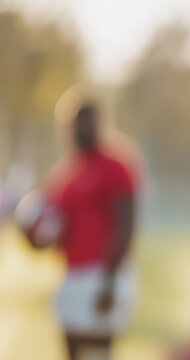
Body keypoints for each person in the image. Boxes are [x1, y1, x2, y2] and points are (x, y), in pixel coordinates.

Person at [25, 97, 138, 360]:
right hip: (72, 273)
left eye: (86, 122)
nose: (80, 129)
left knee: (98, 351)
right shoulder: (64, 172)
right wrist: (33, 236)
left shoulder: (116, 165)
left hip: (104, 274)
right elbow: (54, 226)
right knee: (73, 351)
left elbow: (126, 221)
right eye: (75, 124)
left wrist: (110, 281)